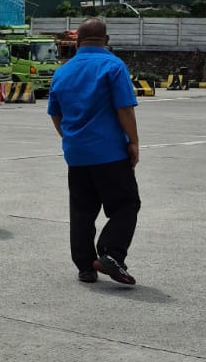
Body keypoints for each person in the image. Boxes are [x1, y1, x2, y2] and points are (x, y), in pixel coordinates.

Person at [46, 16, 141, 286]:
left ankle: (86, 267)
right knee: (126, 204)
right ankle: (111, 253)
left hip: (77, 154)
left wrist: (71, 139)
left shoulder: (63, 71)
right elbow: (124, 109)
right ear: (106, 40)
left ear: (77, 42)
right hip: (109, 152)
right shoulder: (113, 66)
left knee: (82, 211)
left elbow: (55, 114)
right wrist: (134, 142)